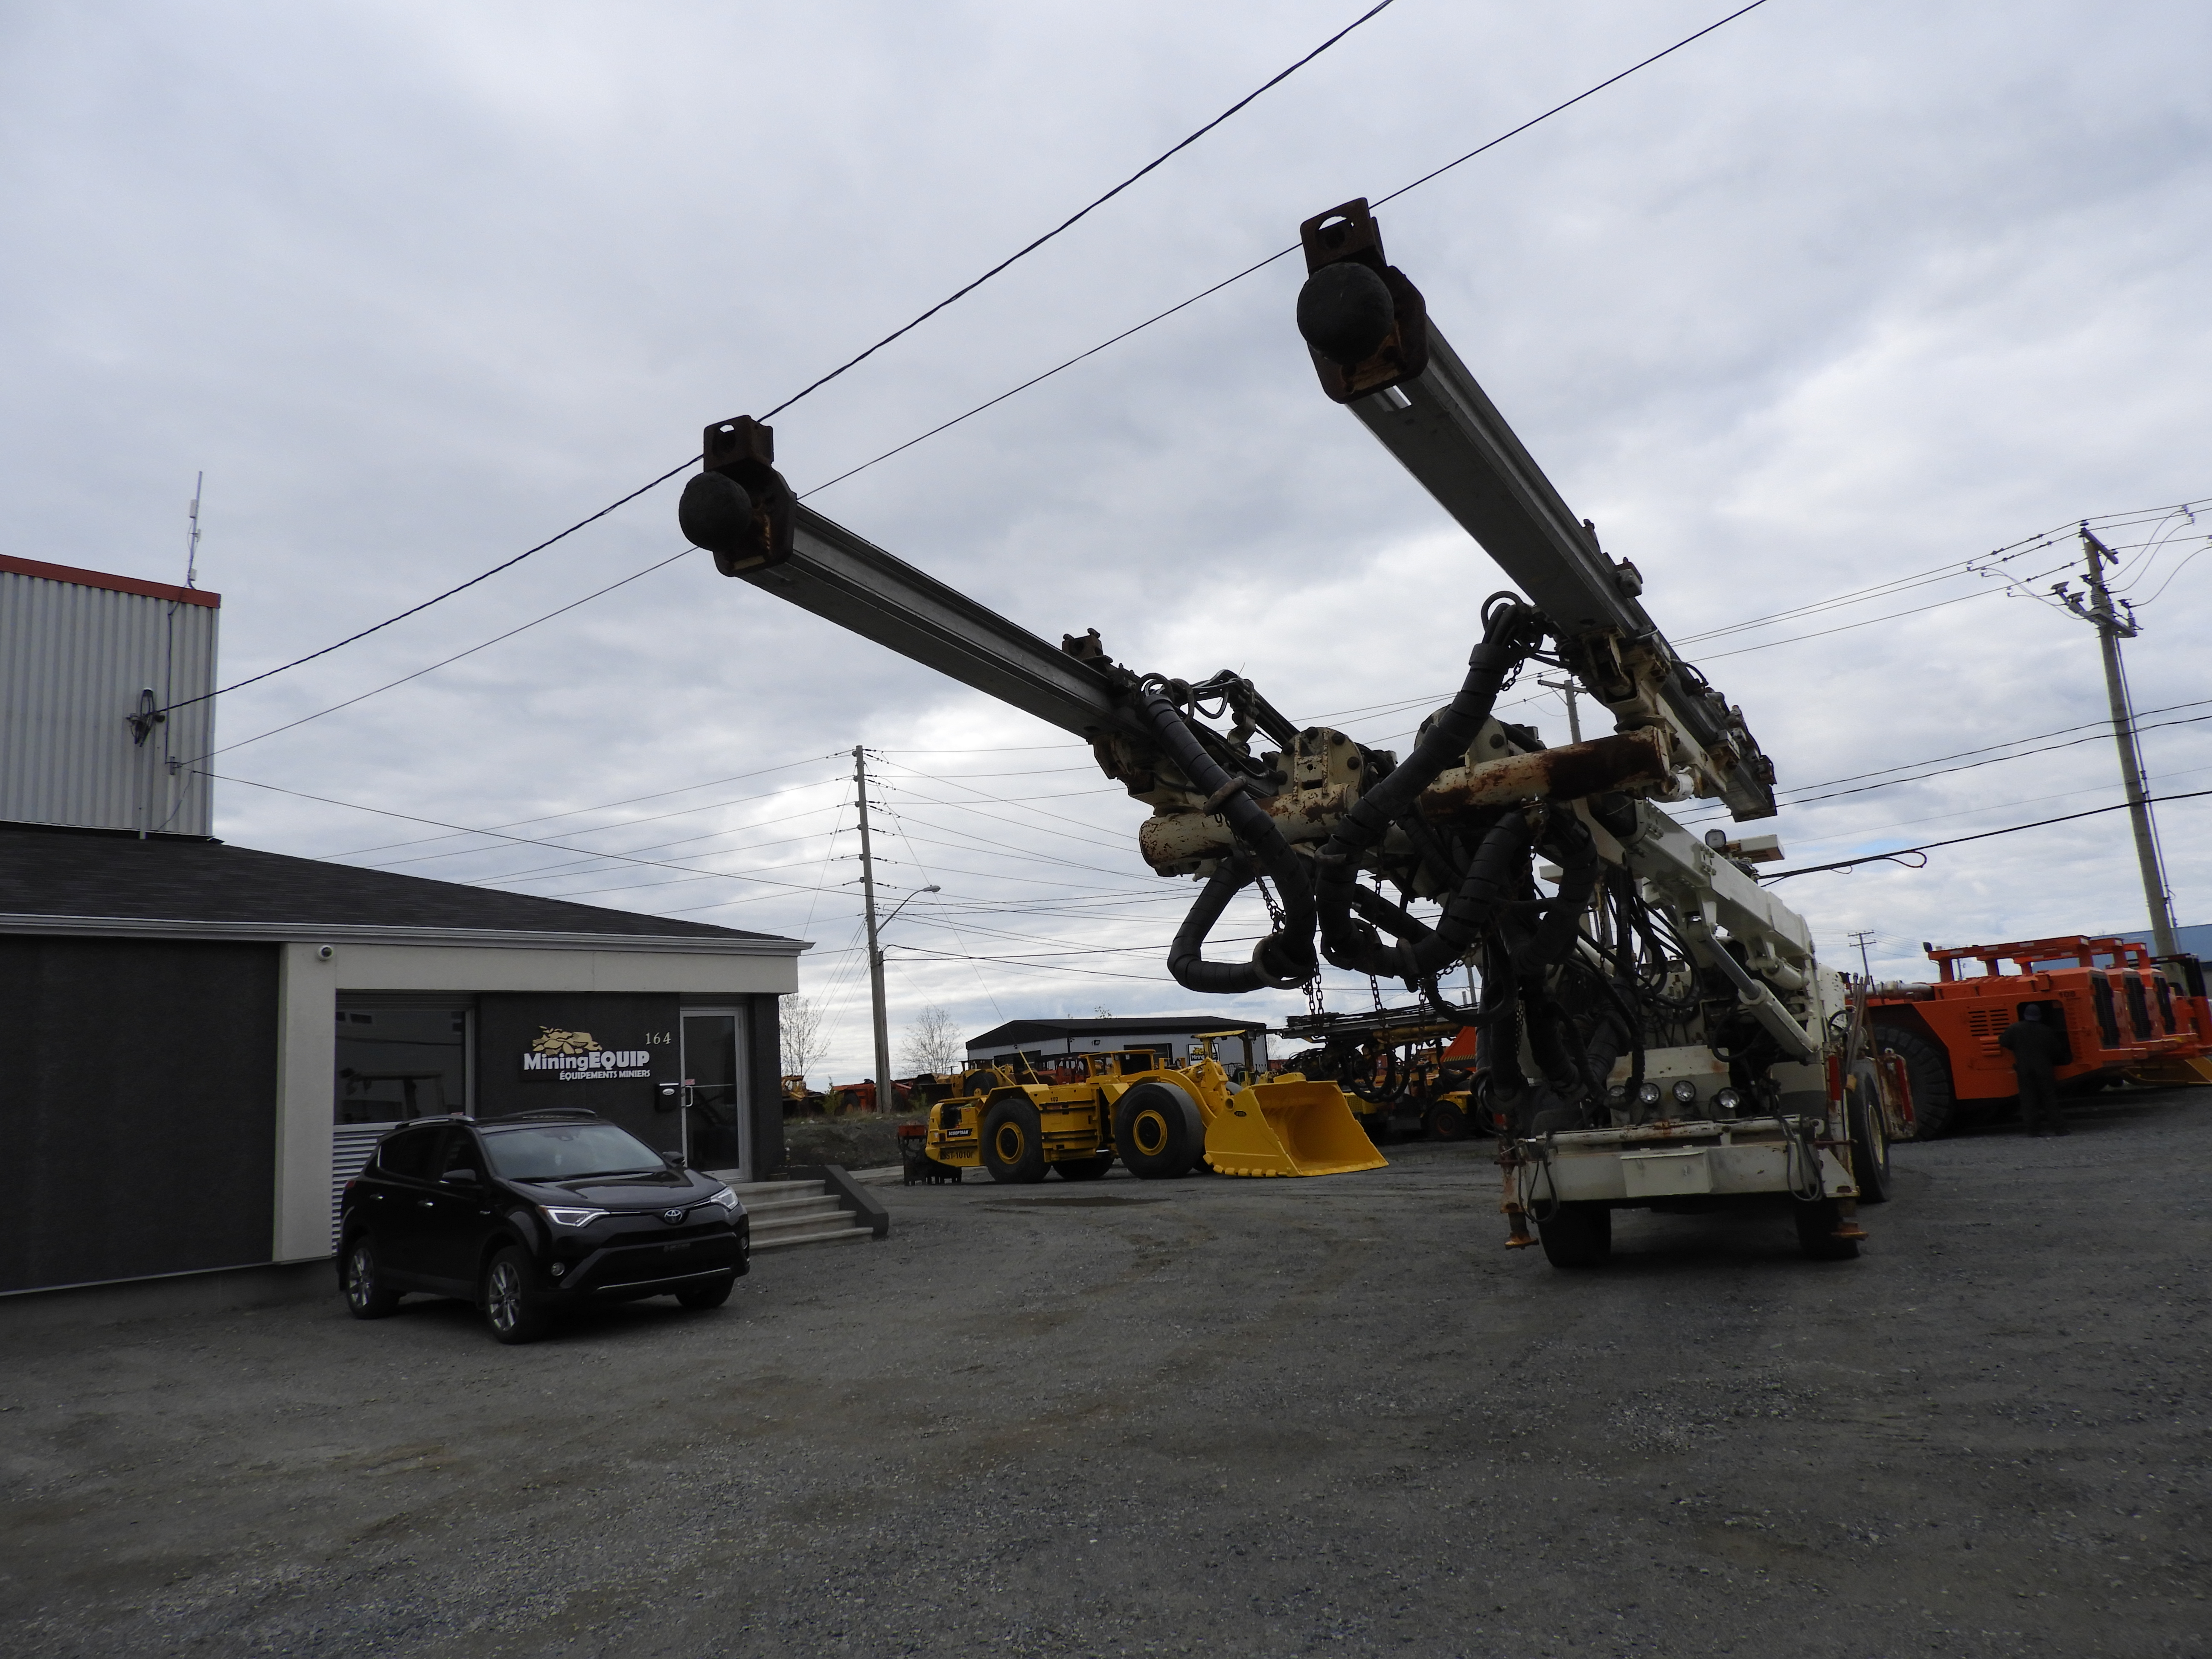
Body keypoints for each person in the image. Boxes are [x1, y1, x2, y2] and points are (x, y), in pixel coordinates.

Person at [1999, 1003, 2069, 1136]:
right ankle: (2060, 1129)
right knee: (2049, 1099)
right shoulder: (2046, 1031)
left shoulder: (2015, 1029)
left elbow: (2003, 1042)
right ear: (2039, 1016)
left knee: (2028, 1100)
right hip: (2044, 1070)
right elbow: (2056, 1051)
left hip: (2024, 1070)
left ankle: (2033, 1131)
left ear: (2025, 1015)